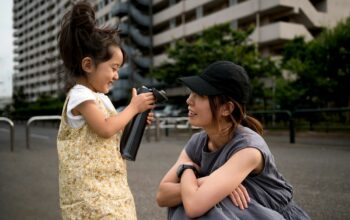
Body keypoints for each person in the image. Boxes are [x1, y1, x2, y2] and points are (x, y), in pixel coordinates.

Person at [156, 61, 310, 220]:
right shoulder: (198, 141)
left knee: (200, 205)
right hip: (241, 213)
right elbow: (162, 196)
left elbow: (194, 206)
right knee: (191, 200)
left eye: (200, 95)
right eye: (191, 93)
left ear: (226, 108)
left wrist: (186, 170)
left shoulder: (249, 149)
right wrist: (208, 181)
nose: (189, 100)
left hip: (270, 214)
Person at [56, 1, 155, 219]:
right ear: (88, 65)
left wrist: (134, 120)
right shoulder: (80, 95)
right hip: (90, 195)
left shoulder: (100, 98)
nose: (116, 76)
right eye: (113, 68)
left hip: (111, 187)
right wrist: (132, 107)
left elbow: (113, 132)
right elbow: (105, 129)